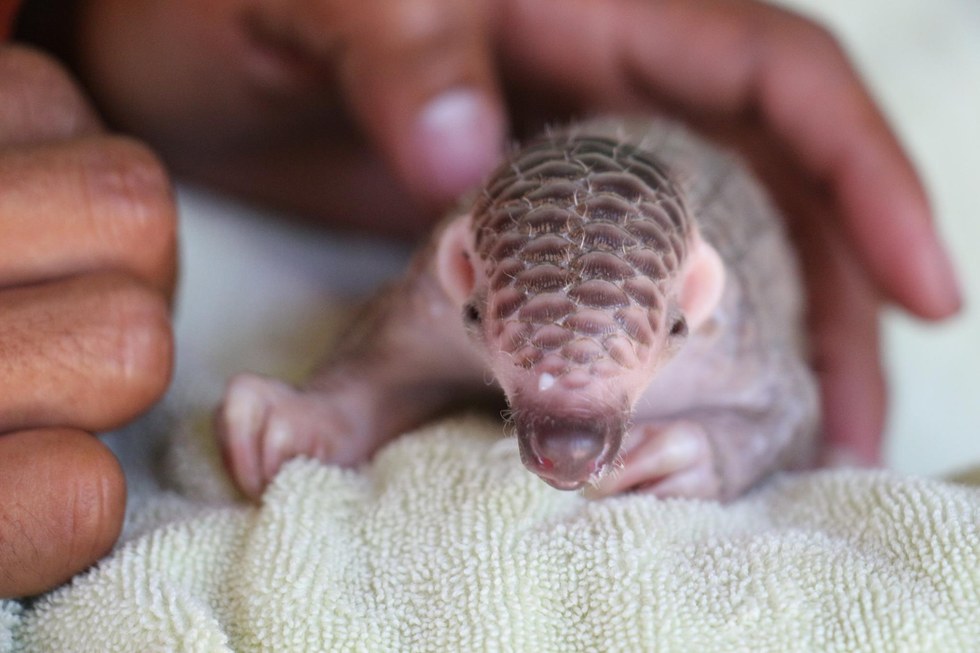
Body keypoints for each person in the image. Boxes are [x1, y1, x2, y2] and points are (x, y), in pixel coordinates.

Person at [0, 0, 960, 597]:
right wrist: (330, 410)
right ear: (461, 274)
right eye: (513, 347)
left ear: (694, 300)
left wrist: (721, 444)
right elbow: (381, 368)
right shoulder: (440, 281)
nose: (569, 442)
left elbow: (783, 403)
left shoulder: (724, 321)